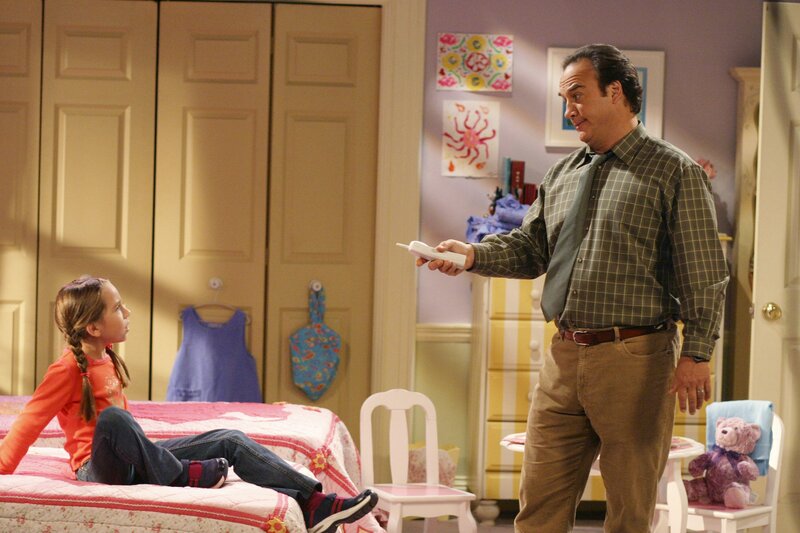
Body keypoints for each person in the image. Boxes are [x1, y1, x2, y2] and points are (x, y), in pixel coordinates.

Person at [421, 44, 728, 532]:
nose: (570, 110)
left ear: (615, 92)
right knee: (537, 507)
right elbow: (531, 249)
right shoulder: (563, 174)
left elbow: (704, 271)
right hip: (564, 355)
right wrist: (472, 256)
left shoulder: (673, 171)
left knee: (629, 513)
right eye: (565, 99)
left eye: (578, 95)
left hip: (635, 359)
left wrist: (697, 352)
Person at [0, 275, 377, 533]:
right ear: (93, 327)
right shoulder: (67, 369)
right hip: (97, 469)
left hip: (135, 459)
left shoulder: (107, 355)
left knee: (229, 439)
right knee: (114, 420)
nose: (127, 313)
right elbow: (30, 421)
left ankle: (315, 503)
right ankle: (181, 474)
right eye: (117, 308)